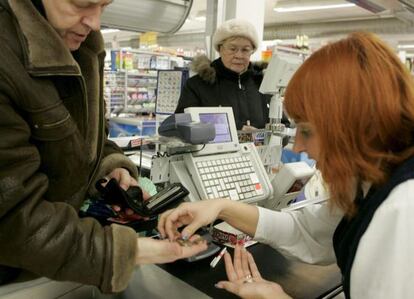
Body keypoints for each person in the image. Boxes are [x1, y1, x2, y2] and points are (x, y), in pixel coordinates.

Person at [158, 32, 414, 298]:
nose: (298, 147)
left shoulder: (402, 209)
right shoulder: (373, 180)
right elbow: (309, 231)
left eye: (306, 131)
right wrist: (222, 206)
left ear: (353, 126)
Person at [0, 0, 207, 293]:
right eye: (82, 4)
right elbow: (12, 221)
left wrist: (111, 166)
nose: (95, 23)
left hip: (64, 257)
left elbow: (89, 135)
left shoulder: (85, 49)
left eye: (103, 5)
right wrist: (125, 251)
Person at [175, 18, 270, 130]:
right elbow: (183, 123)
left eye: (245, 50)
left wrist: (272, 134)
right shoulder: (197, 85)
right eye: (233, 49)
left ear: (252, 51)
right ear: (220, 49)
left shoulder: (262, 84)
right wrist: (237, 129)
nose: (239, 55)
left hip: (259, 148)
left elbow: (283, 124)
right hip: (211, 148)